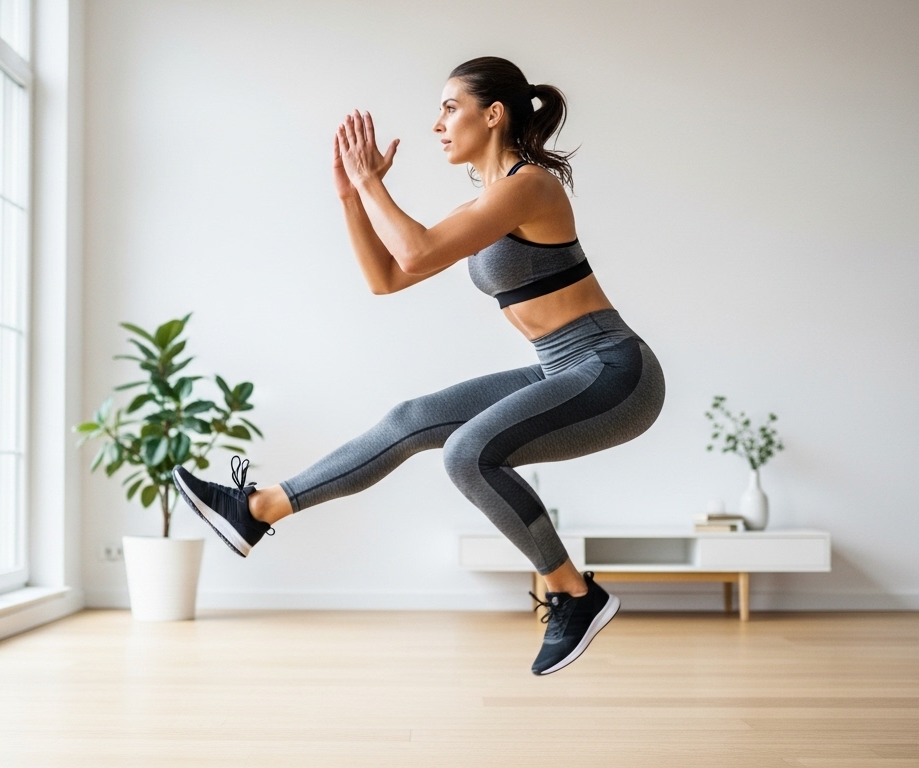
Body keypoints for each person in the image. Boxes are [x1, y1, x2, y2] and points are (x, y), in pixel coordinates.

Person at [174, 56, 666, 675]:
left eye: (449, 107)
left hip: (614, 372)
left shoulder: (531, 185)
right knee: (413, 418)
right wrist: (354, 197)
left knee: (467, 453)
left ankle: (574, 592)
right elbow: (387, 276)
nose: (437, 123)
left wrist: (373, 183)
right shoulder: (488, 204)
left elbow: (417, 248)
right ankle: (256, 510)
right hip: (561, 369)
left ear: (493, 115)